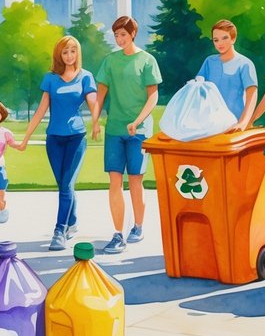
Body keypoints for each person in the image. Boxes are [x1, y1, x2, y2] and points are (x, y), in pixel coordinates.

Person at [22, 35, 100, 251]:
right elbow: (40, 110)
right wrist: (26, 137)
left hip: (76, 138)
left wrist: (95, 122)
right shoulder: (51, 78)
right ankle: (73, 222)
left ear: (78, 53)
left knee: (66, 185)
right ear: (59, 55)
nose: (69, 56)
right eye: (65, 52)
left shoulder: (86, 77)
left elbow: (93, 102)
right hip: (54, 139)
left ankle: (59, 231)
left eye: (73, 51)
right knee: (64, 185)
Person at [92, 16, 161, 255]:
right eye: (116, 35)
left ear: (133, 34)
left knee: (135, 182)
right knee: (114, 181)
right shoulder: (110, 62)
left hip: (139, 133)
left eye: (123, 34)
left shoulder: (147, 60)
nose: (119, 39)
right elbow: (100, 95)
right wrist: (95, 121)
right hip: (114, 130)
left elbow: (153, 96)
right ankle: (117, 234)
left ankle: (138, 226)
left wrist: (138, 121)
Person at [197, 19, 258, 131]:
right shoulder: (209, 62)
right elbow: (198, 89)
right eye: (216, 40)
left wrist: (243, 122)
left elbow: (252, 96)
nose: (220, 43)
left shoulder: (245, 64)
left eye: (224, 38)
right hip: (211, 123)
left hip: (235, 123)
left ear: (233, 38)